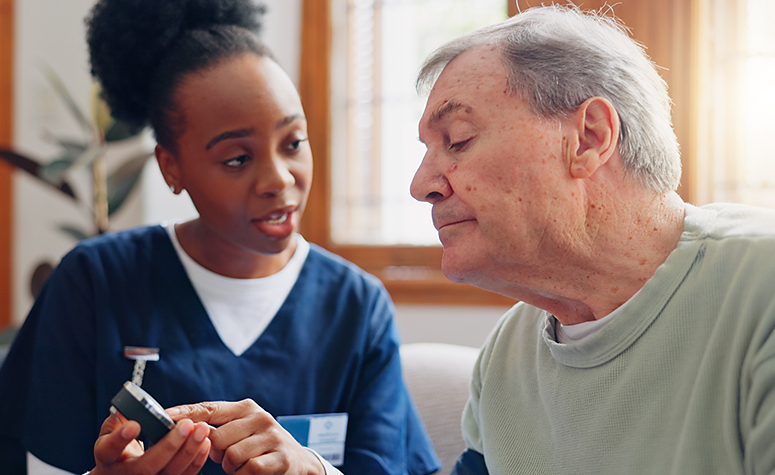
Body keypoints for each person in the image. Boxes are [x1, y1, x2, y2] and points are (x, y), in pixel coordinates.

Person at [0, 1, 440, 474]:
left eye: (293, 143)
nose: (279, 179)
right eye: (236, 159)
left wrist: (310, 468)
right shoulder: (95, 281)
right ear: (172, 168)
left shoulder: (355, 306)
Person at [409, 4, 775, 475]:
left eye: (457, 139)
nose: (421, 185)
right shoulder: (509, 350)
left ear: (588, 137)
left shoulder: (761, 292)